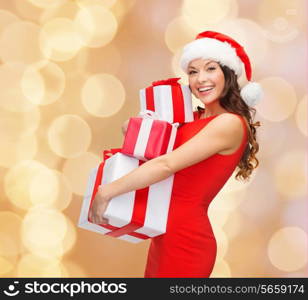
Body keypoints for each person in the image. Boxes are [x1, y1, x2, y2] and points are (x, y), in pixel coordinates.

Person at [89, 31, 262, 277]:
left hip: (186, 240)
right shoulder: (194, 118)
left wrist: (107, 191)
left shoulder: (230, 124)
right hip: (162, 234)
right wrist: (138, 126)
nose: (201, 79)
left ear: (228, 74)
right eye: (193, 71)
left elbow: (166, 164)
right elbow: (146, 148)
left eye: (210, 69)